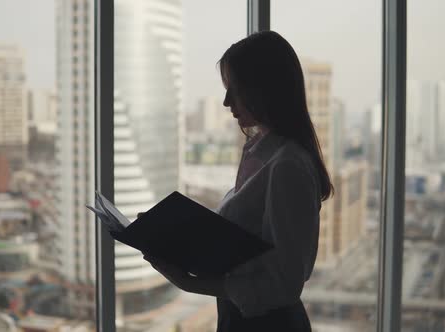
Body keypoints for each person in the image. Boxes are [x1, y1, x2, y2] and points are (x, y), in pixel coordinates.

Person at [143, 30, 333, 332]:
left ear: (265, 90)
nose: (226, 101)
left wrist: (189, 283)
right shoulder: (262, 153)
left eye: (236, 89)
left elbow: (283, 285)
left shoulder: (287, 166)